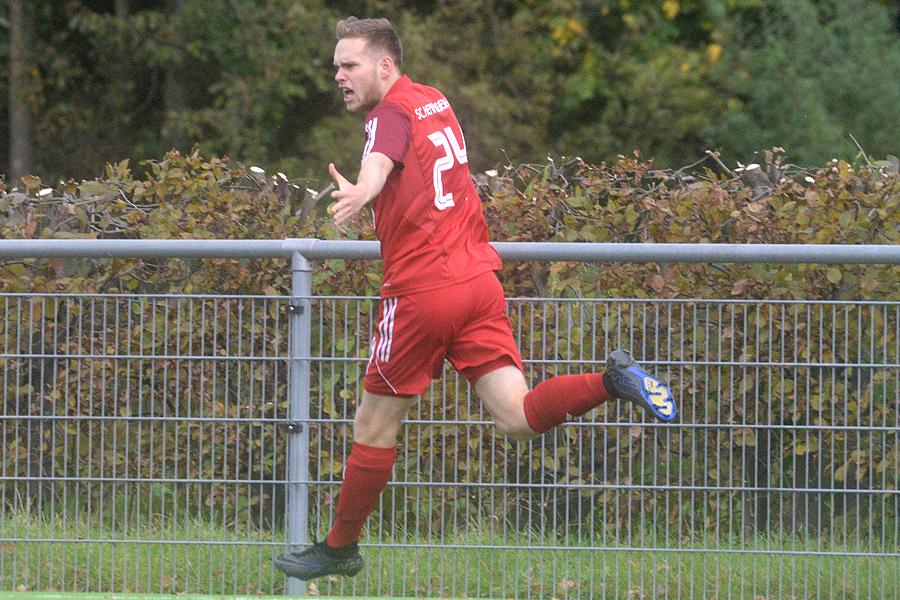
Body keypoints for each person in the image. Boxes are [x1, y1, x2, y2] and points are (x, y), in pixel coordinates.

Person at [274, 16, 676, 582]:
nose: (338, 75)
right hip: (478, 281)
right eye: (336, 66)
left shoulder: (387, 115)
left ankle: (340, 548)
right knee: (518, 416)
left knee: (372, 426)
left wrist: (363, 190)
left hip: (423, 293)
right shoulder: (434, 100)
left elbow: (380, 159)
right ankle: (612, 381)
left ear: (385, 66)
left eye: (349, 65)